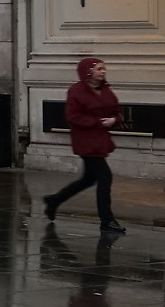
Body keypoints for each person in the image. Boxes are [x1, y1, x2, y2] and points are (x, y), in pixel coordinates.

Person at [45, 56, 125, 233]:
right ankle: (107, 220)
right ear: (88, 72)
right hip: (86, 141)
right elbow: (72, 117)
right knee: (105, 177)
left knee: (88, 179)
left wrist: (114, 120)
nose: (103, 72)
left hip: (100, 140)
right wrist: (98, 122)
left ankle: (54, 200)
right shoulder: (76, 91)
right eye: (99, 69)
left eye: (104, 69)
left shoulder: (106, 90)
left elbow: (117, 112)